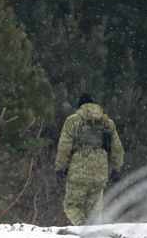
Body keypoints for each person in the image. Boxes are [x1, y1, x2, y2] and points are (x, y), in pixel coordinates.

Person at [53, 93, 124, 225]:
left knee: (71, 206)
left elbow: (64, 147)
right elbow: (117, 148)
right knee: (95, 211)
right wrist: (116, 169)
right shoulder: (107, 122)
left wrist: (60, 169)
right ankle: (94, 235)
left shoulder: (72, 120)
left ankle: (84, 228)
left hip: (78, 171)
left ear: (79, 105)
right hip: (100, 171)